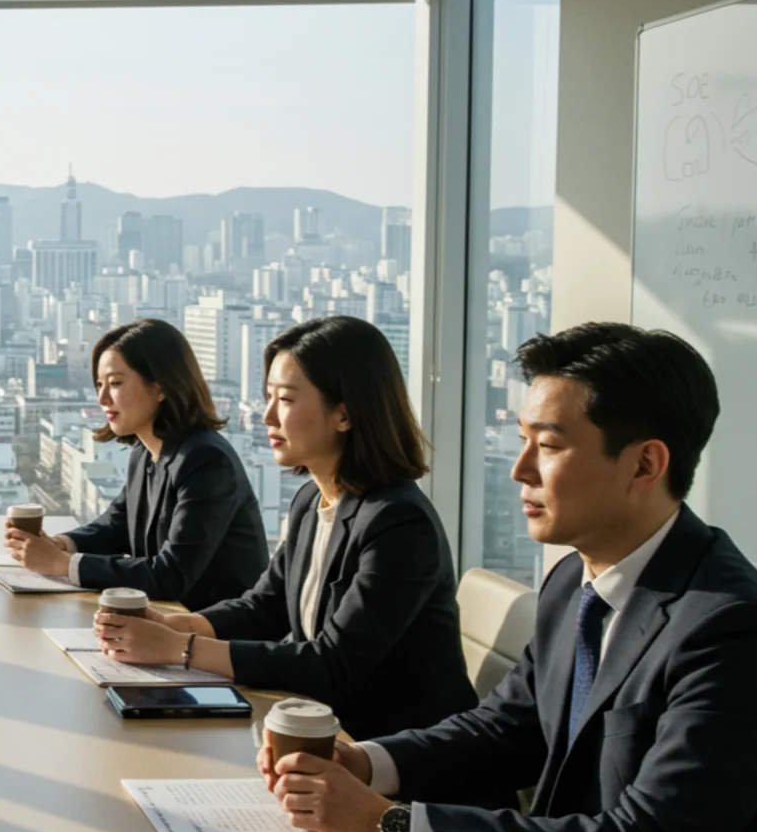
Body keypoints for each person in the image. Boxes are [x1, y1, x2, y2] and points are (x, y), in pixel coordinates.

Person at [261, 322, 757, 832]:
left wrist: (392, 825)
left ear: (646, 463)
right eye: (521, 440)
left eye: (549, 445)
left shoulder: (734, 630)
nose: (519, 470)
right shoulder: (573, 582)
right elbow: (503, 729)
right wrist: (368, 762)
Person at [95, 316, 477, 740]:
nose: (268, 416)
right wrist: (175, 624)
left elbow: (332, 665)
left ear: (344, 414)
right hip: (319, 736)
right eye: (269, 397)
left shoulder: (400, 524)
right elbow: (265, 607)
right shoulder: (312, 502)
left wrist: (181, 651)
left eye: (287, 400)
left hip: (394, 760)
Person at [4, 318, 267, 611]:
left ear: (161, 387)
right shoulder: (145, 451)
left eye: (115, 383)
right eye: (99, 384)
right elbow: (117, 524)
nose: (102, 398)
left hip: (216, 636)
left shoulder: (206, 460)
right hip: (165, 620)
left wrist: (64, 565)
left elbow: (171, 575)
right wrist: (64, 544)